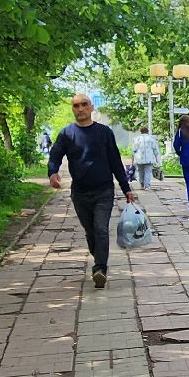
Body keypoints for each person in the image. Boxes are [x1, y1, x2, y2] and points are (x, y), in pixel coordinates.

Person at [47, 94, 135, 288]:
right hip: (80, 193)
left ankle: (100, 269)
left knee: (101, 228)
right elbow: (55, 155)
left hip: (104, 190)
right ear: (73, 109)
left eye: (84, 105)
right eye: (76, 106)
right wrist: (53, 172)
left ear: (91, 107)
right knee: (90, 232)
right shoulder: (67, 134)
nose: (80, 109)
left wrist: (126, 188)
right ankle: (100, 259)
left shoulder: (104, 132)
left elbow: (115, 161)